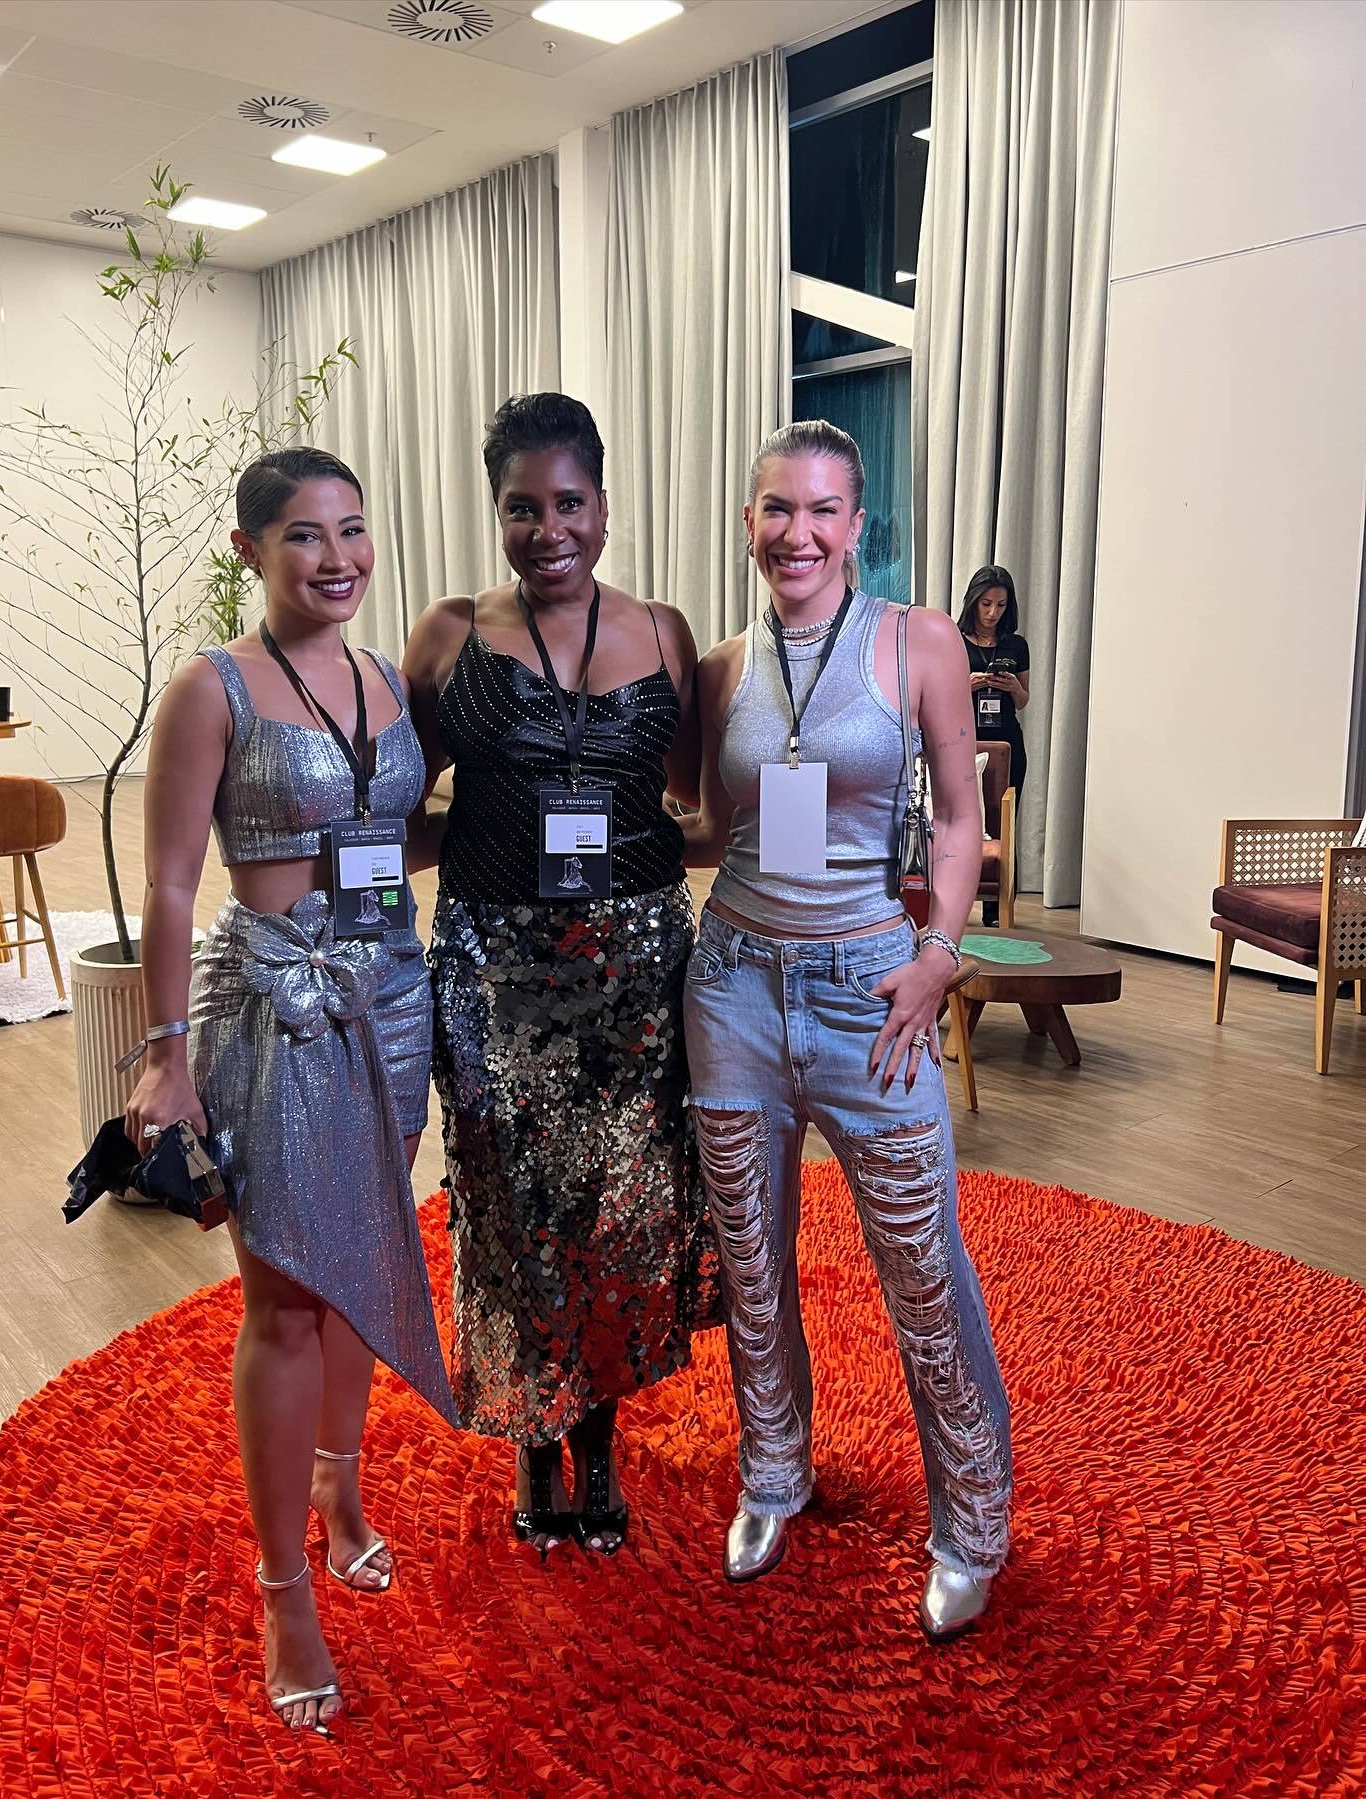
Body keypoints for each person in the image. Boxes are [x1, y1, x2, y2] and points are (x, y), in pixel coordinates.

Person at [126, 448, 456, 1735]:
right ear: (251, 549)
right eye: (307, 535)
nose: (338, 558)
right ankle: (283, 1590)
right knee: (284, 1299)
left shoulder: (385, 679)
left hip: (391, 997)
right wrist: (165, 1053)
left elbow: (398, 839)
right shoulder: (210, 687)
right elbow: (168, 882)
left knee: (359, 1258)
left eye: (354, 530)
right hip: (272, 1006)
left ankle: (340, 1488)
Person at [683, 420, 1012, 1641]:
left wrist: (940, 955)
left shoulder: (919, 640)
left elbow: (962, 818)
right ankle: (774, 1470)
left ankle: (972, 1520)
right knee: (752, 1263)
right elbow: (713, 828)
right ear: (750, 520)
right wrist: (547, 830)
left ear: (857, 523)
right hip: (733, 985)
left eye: (823, 510)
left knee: (923, 1265)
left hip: (873, 993)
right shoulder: (722, 666)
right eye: (778, 508)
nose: (799, 532)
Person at [402, 392, 717, 1560]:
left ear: (603, 502)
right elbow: (395, 808)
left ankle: (599, 1439)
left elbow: (694, 801)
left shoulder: (667, 632)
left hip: (636, 974)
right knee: (513, 1211)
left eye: (568, 502)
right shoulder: (448, 634)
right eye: (521, 508)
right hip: (495, 969)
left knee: (618, 1215)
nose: (549, 530)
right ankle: (534, 1437)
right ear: (496, 512)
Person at [958, 565, 1029, 926]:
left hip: (1007, 740)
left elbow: (1023, 700)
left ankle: (996, 909)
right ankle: (955, 899)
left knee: (1004, 819)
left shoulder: (1016, 645)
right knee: (962, 818)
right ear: (973, 602)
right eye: (986, 604)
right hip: (964, 740)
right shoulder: (954, 640)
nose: (992, 613)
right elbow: (936, 695)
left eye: (1000, 605)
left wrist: (1013, 687)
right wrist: (965, 684)